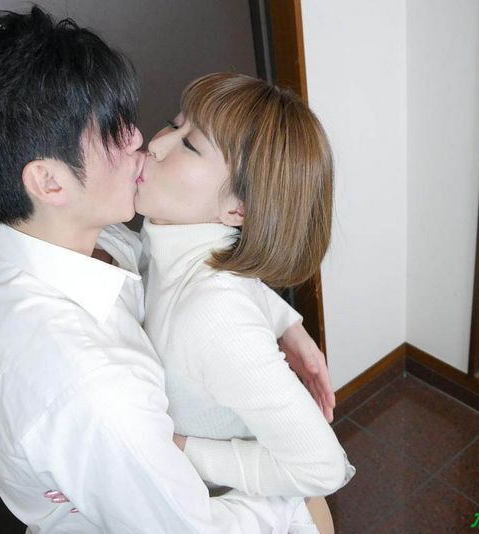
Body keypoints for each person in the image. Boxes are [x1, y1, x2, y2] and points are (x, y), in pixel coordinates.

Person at [0, 7, 335, 533]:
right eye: (111, 130)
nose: (140, 140)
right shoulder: (94, 389)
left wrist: (285, 323)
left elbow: (186, 271)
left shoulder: (74, 243)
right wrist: (299, 506)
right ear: (49, 182)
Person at [135, 73, 357, 532]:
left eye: (189, 145)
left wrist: (181, 449)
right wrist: (287, 323)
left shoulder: (213, 314)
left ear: (237, 209)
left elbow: (323, 467)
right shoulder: (171, 249)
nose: (154, 145)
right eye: (172, 124)